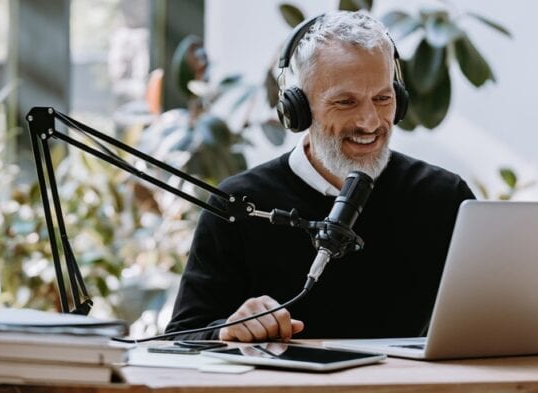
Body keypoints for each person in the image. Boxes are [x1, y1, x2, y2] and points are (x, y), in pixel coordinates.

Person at [166, 11, 475, 342]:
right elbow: (179, 338)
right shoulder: (239, 204)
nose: (370, 122)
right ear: (298, 108)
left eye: (383, 98)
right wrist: (227, 330)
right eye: (346, 102)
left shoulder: (446, 197)